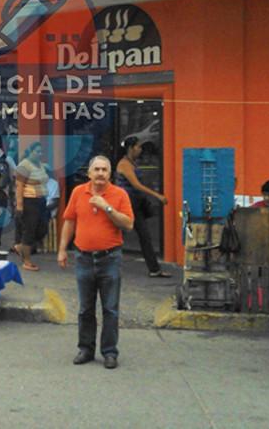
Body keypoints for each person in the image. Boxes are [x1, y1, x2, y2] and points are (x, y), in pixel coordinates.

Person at [58, 155, 134, 369]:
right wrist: (62, 250)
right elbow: (70, 221)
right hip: (83, 258)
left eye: (104, 170)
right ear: (89, 173)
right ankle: (85, 349)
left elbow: (128, 224)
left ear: (110, 174)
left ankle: (110, 352)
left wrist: (106, 207)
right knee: (85, 308)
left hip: (110, 258)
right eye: (97, 169)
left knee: (110, 308)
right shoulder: (78, 192)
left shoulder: (119, 195)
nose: (100, 173)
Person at [115, 137, 171, 278]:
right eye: (138, 147)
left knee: (144, 236)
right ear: (131, 148)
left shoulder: (133, 163)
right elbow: (136, 185)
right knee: (117, 235)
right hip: (125, 204)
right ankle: (105, 265)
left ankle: (154, 269)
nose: (140, 149)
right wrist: (157, 196)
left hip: (135, 204)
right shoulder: (124, 164)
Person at [14, 142, 49, 271]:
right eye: (37, 151)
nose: (39, 154)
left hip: (41, 201)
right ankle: (27, 261)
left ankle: (20, 247)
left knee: (42, 229)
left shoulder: (40, 165)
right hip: (29, 201)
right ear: (31, 151)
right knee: (29, 231)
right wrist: (20, 205)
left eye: (41, 152)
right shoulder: (24, 166)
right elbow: (19, 187)